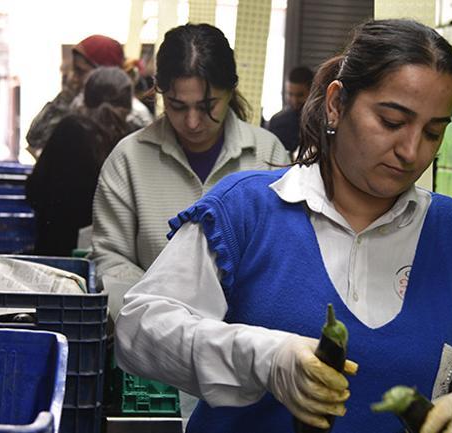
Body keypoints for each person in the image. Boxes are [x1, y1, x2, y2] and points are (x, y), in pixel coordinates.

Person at [114, 19, 452, 433]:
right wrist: (264, 358)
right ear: (336, 104)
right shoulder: (246, 211)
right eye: (391, 121)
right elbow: (142, 327)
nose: (411, 151)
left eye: (433, 132)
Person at [89, 22, 289, 422]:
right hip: (156, 366)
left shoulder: (267, 156)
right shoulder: (129, 158)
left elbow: (285, 261)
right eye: (178, 107)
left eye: (209, 105)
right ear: (158, 93)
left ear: (232, 90)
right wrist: (170, 324)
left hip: (248, 362)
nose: (193, 122)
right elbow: (109, 259)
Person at [26, 67, 133, 256]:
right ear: (129, 106)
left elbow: (35, 191)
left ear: (86, 98)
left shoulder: (68, 129)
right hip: (112, 259)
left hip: (58, 255)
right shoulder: (133, 139)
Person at [26, 35, 152, 157]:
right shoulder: (76, 103)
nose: (73, 77)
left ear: (104, 72)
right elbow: (35, 138)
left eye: (80, 71)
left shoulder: (134, 114)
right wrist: (65, 97)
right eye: (74, 70)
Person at [266, 66, 314, 154]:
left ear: (311, 92)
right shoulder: (277, 122)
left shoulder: (322, 122)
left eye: (300, 95)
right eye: (290, 94)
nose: (294, 100)